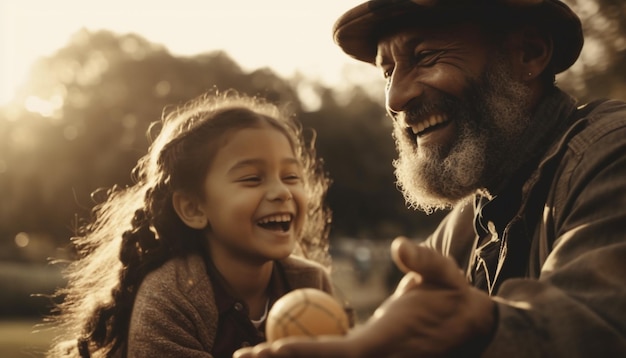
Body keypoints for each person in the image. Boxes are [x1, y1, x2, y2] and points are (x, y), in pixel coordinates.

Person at [234, 0, 626, 357]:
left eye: (425, 57)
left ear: (529, 52)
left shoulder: (612, 153)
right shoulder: (463, 230)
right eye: (387, 73)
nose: (395, 98)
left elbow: (601, 325)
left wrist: (482, 327)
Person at [45, 90, 337, 358]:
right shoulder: (171, 296)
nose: (282, 192)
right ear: (193, 208)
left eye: (291, 177)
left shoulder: (310, 283)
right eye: (251, 178)